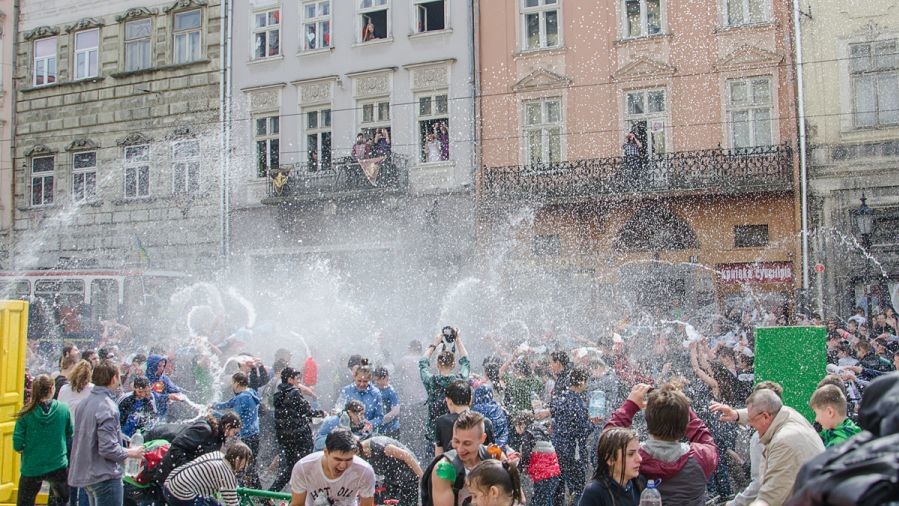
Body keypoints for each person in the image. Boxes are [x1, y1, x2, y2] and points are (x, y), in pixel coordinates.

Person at [605, 382, 718, 506]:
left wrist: (629, 406)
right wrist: (680, 406)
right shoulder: (702, 457)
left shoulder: (630, 457)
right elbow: (703, 435)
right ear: (687, 421)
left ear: (647, 420)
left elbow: (606, 442)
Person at [711, 388, 825, 506]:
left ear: (765, 416)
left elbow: (769, 498)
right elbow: (760, 411)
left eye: (751, 421)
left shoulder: (783, 442)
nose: (751, 426)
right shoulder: (787, 413)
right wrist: (736, 414)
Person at [68, 360, 145, 506]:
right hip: (104, 476)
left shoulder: (84, 403)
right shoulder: (108, 407)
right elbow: (108, 448)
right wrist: (131, 452)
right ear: (114, 378)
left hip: (85, 474)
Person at [14, 374, 73, 506]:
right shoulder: (63, 409)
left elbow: (17, 444)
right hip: (58, 465)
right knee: (60, 501)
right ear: (52, 388)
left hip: (32, 467)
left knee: (25, 502)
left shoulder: (26, 412)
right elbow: (70, 433)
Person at [270, 367, 324, 492]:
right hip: (300, 437)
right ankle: (308, 494)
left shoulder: (277, 394)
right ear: (290, 379)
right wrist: (322, 413)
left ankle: (270, 493)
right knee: (308, 465)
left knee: (290, 468)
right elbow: (307, 411)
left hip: (285, 438)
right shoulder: (294, 392)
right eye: (297, 379)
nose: (299, 382)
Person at [290, 428, 376, 506]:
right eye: (338, 459)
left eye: (348, 459)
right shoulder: (304, 467)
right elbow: (297, 504)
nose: (343, 465)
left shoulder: (364, 471)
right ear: (326, 452)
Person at [151, 412, 242, 484]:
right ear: (227, 426)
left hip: (183, 480)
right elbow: (176, 447)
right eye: (234, 432)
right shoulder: (205, 429)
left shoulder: (218, 439)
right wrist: (187, 470)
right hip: (169, 475)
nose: (232, 436)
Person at [550, 367, 597, 504]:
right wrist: (592, 423)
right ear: (581, 383)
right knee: (578, 487)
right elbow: (582, 431)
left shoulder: (561, 398)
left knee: (559, 484)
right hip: (573, 449)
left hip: (558, 446)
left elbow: (556, 420)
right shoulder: (578, 403)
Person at [421, 332, 471, 451]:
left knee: (436, 467)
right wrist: (458, 340)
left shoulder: (431, 381)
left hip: (434, 435)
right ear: (453, 364)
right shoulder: (460, 380)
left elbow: (422, 363)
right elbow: (466, 362)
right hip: (457, 433)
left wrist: (435, 343)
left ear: (437, 365)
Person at [163, 442, 253, 506]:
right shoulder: (227, 475)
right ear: (237, 459)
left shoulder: (217, 454)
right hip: (181, 495)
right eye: (246, 462)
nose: (245, 466)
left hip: (169, 485)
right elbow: (232, 504)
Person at [212, 372, 261, 487]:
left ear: (237, 383)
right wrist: (214, 405)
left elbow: (234, 419)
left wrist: (214, 414)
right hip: (255, 435)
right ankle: (260, 496)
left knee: (244, 466)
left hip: (246, 437)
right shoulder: (250, 393)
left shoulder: (242, 397)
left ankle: (255, 496)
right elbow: (229, 403)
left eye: (233, 383)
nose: (232, 386)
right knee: (249, 466)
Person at [578, 427, 643, 506]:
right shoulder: (595, 492)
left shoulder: (640, 484)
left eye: (638, 452)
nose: (639, 459)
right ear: (611, 460)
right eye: (630, 454)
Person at [435, 380, 496, 455]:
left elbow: (439, 454)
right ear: (470, 400)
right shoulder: (485, 422)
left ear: (449, 401)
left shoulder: (442, 422)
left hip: (453, 466)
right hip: (481, 466)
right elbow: (493, 452)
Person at [358, 436, 423, 505]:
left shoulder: (380, 446)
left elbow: (406, 456)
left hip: (408, 473)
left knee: (408, 503)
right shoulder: (360, 456)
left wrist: (423, 477)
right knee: (389, 502)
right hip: (391, 477)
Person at [512, 413, 560, 506]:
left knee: (541, 501)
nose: (516, 430)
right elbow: (538, 450)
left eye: (516, 426)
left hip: (543, 475)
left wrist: (518, 469)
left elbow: (526, 455)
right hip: (553, 472)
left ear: (521, 424)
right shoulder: (540, 429)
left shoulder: (529, 433)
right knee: (546, 500)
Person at [338, 361, 384, 432]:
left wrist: (370, 424)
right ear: (354, 377)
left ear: (369, 380)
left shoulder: (375, 393)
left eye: (365, 381)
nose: (362, 384)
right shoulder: (347, 391)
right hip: (349, 431)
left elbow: (380, 417)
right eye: (359, 381)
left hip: (368, 433)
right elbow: (339, 408)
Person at [145, 354, 184, 421]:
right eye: (159, 366)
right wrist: (167, 397)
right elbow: (149, 396)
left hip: (162, 414)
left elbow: (175, 390)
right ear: (152, 366)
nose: (162, 368)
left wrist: (179, 395)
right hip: (147, 413)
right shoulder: (144, 380)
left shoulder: (163, 379)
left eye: (163, 366)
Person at [472, 384, 509, 449]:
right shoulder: (499, 409)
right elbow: (505, 431)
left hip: (482, 450)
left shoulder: (475, 409)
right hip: (499, 449)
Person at [373, 366, 401, 439]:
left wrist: (381, 420)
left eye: (378, 380)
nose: (377, 382)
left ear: (385, 378)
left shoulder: (391, 391)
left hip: (391, 429)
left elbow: (396, 411)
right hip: (379, 430)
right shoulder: (374, 389)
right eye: (375, 380)